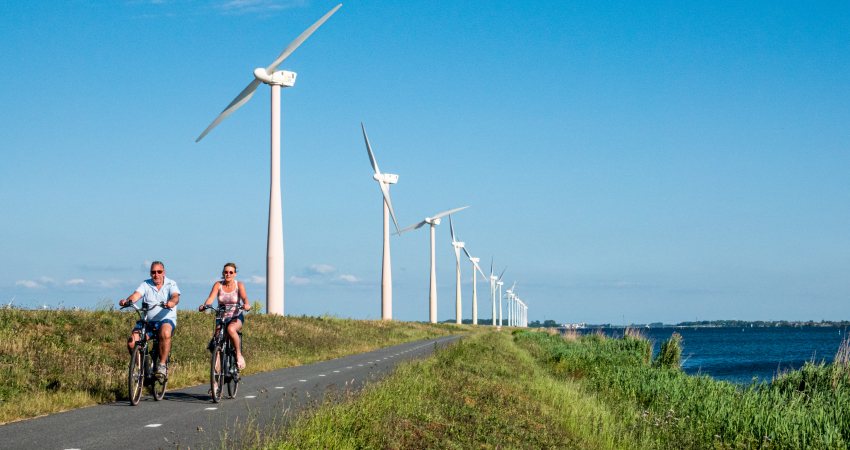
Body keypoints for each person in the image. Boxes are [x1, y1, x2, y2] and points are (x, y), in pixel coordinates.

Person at [119, 261, 180, 379]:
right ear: (150, 273)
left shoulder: (171, 284)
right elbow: (136, 295)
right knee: (132, 342)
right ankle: (141, 369)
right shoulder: (146, 284)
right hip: (147, 321)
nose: (156, 275)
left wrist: (172, 302)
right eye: (153, 272)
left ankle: (162, 365)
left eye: (159, 272)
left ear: (164, 273)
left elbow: (175, 296)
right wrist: (127, 301)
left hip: (165, 320)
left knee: (165, 333)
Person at [199, 262, 251, 370]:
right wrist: (205, 306)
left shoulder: (239, 285)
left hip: (235, 316)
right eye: (226, 272)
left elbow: (244, 297)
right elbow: (211, 298)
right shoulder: (218, 285)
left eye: (231, 272)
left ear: (235, 274)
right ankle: (215, 380)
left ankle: (238, 355)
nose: (228, 274)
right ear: (223, 273)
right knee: (217, 340)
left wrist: (246, 304)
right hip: (221, 317)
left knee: (231, 329)